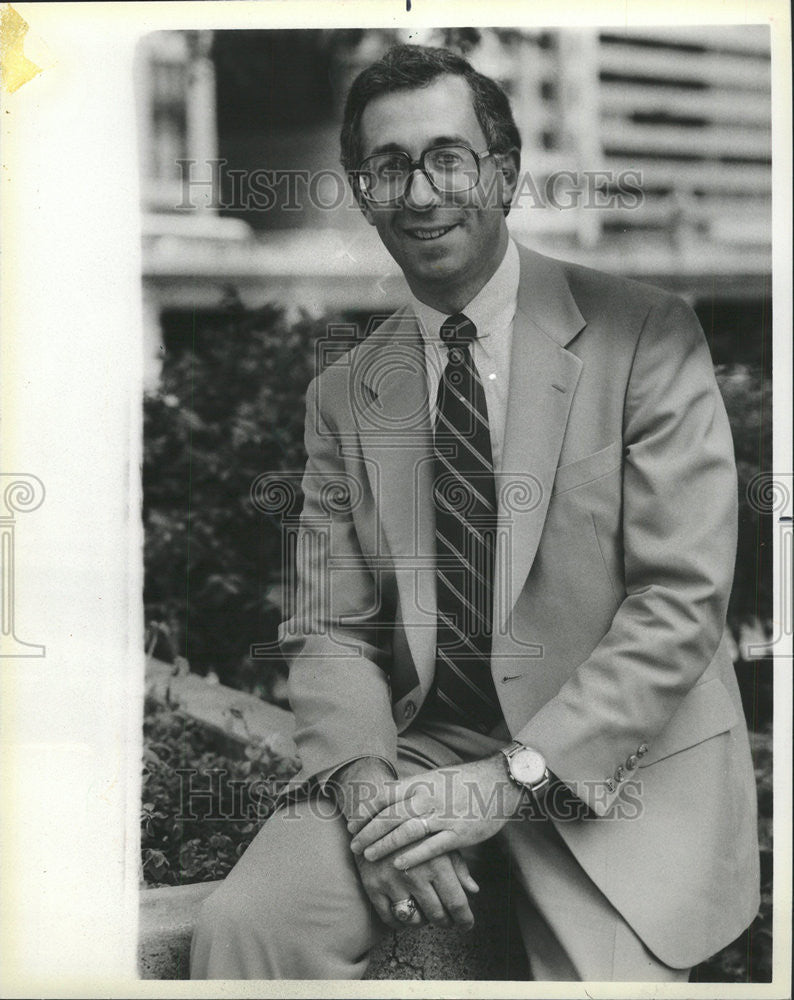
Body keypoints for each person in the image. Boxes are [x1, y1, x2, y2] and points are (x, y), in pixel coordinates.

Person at [190, 43, 759, 982]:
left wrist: (509, 782)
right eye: (389, 168)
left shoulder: (646, 334)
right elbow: (327, 624)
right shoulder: (343, 394)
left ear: (505, 172)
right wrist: (370, 795)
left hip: (616, 763)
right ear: (364, 195)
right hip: (424, 750)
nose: (421, 193)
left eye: (448, 158)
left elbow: (681, 601)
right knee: (246, 928)